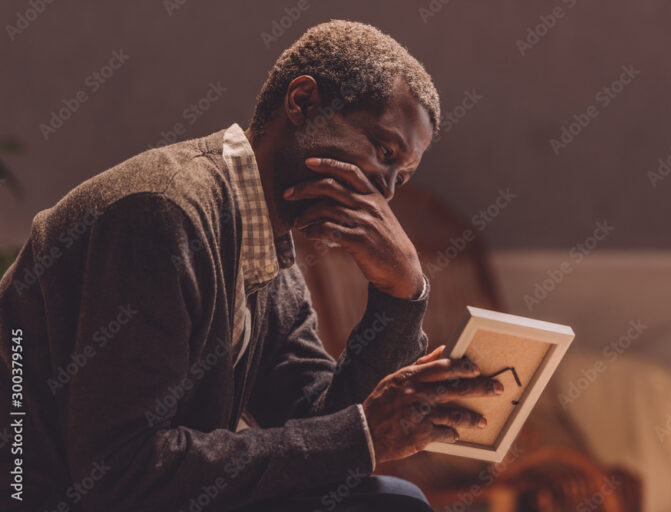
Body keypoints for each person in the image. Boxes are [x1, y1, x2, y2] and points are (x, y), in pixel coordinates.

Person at [0, 20, 503, 511]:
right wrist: (363, 433)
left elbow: (321, 423)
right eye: (383, 150)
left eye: (403, 176)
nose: (388, 191)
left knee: (385, 500)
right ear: (303, 102)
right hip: (33, 492)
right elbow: (119, 473)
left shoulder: (265, 241)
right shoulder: (164, 212)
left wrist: (400, 291)